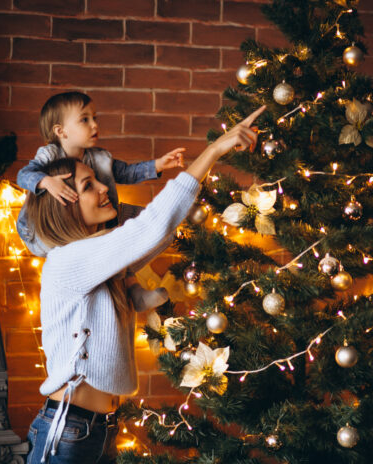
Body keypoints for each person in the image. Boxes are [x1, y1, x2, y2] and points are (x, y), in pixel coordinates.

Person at [24, 105, 266, 464]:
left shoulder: (99, 260)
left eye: (98, 179)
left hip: (97, 428)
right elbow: (151, 226)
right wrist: (213, 151)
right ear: (64, 205)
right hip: (68, 432)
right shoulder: (68, 260)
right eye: (87, 185)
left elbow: (157, 234)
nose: (105, 188)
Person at [16, 91, 185, 312]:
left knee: (155, 224)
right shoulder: (50, 155)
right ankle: (128, 288)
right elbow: (23, 174)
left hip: (103, 219)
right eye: (84, 119)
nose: (94, 125)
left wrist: (157, 165)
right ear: (60, 131)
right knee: (102, 252)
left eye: (95, 118)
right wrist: (46, 181)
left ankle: (133, 290)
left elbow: (125, 172)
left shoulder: (98, 157)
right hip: (48, 230)